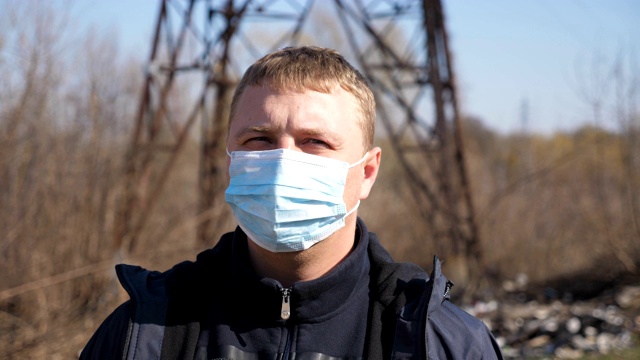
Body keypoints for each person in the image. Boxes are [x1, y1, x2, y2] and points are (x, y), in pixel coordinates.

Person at [80, 46, 503, 359]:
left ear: (367, 172)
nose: (283, 162)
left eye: (315, 142)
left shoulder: (441, 342)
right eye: (259, 140)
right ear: (229, 160)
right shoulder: (144, 334)